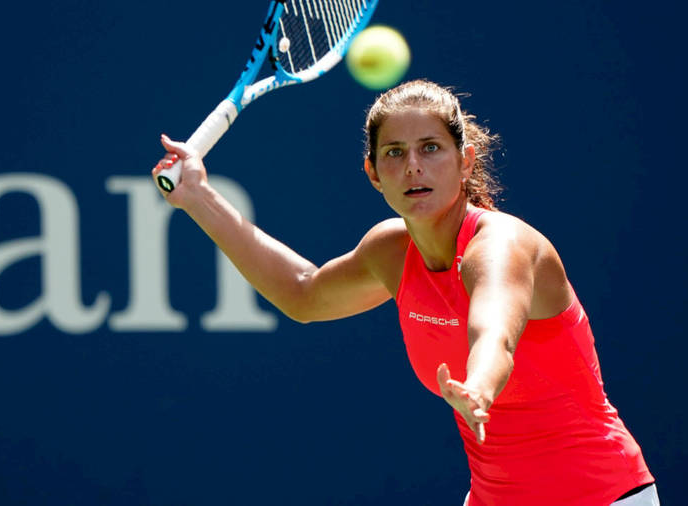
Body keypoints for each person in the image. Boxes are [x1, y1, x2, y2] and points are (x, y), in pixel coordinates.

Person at [152, 79, 657, 505]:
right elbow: (303, 293)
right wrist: (197, 197)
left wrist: (479, 386)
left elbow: (495, 334)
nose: (413, 166)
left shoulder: (501, 245)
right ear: (373, 173)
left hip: (602, 496)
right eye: (394, 153)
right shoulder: (391, 251)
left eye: (431, 148)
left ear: (466, 161)